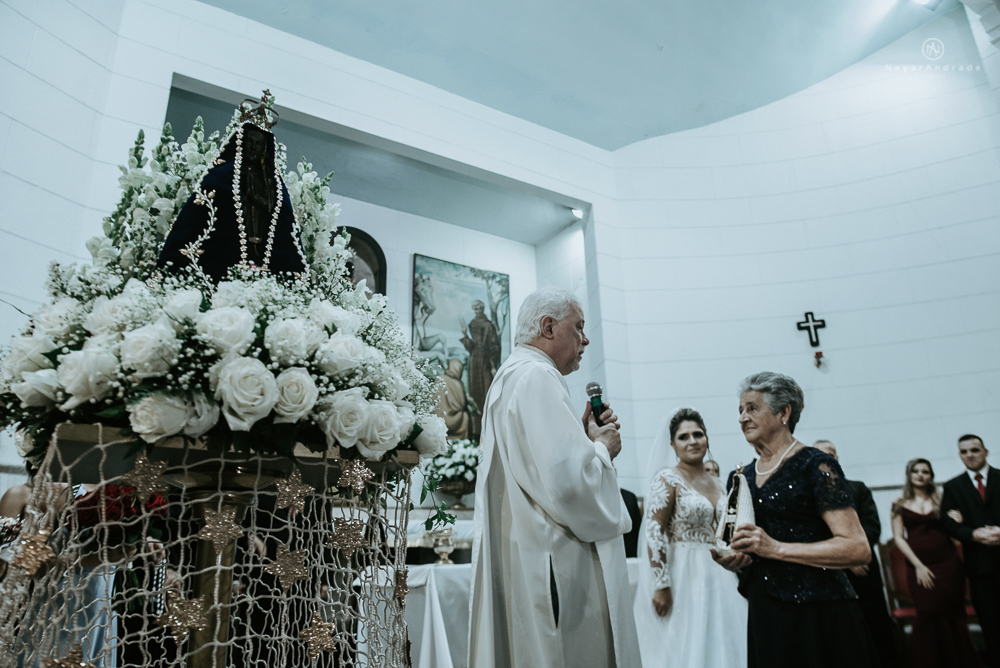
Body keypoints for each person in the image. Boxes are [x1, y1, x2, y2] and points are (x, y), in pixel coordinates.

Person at [468, 287, 640, 668]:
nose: (586, 338)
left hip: (532, 556)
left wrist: (580, 441)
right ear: (548, 327)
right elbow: (570, 487)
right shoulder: (537, 377)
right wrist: (602, 449)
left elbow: (542, 469)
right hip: (559, 566)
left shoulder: (510, 375)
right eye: (578, 327)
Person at [712, 371, 877, 668]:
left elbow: (857, 548)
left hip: (820, 611)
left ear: (783, 413)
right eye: (740, 410)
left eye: (752, 408)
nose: (742, 418)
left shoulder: (816, 465)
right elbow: (751, 546)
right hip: (767, 612)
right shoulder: (741, 477)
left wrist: (775, 548)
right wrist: (737, 558)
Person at [634, 408, 747, 668]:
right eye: (684, 437)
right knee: (686, 641)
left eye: (698, 434)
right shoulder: (667, 478)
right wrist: (660, 583)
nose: (693, 441)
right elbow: (654, 530)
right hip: (683, 570)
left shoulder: (718, 483)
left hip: (720, 570)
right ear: (673, 445)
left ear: (707, 439)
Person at [814, 440, 899, 668]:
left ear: (837, 458)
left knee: (877, 628)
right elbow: (814, 534)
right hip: (832, 573)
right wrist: (844, 559)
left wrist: (854, 554)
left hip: (864, 571)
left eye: (830, 454)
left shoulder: (858, 488)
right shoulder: (809, 495)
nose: (825, 458)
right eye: (820, 454)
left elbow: (872, 526)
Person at [892, 458, 980, 667]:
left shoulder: (942, 499)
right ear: (909, 475)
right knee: (927, 612)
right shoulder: (899, 504)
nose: (921, 475)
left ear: (931, 476)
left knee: (953, 613)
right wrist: (919, 566)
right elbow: (898, 538)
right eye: (916, 471)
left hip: (948, 565)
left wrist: (960, 518)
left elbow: (958, 527)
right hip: (919, 565)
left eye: (926, 471)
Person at [941, 434, 1000, 667]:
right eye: (964, 452)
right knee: (992, 626)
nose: (970, 455)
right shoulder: (954, 487)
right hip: (980, 568)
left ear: (985, 451)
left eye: (974, 450)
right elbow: (947, 523)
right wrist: (972, 533)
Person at [460, 300, 502, 438]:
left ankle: (489, 432)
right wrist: (465, 334)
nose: (476, 309)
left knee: (486, 393)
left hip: (485, 362)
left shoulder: (489, 325)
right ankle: (475, 431)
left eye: (479, 307)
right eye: (474, 307)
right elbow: (471, 346)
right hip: (474, 362)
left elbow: (494, 347)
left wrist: (493, 366)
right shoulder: (472, 323)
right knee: (474, 393)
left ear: (483, 308)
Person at [434, 358, 474, 439]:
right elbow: (462, 405)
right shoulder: (458, 384)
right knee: (465, 416)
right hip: (454, 422)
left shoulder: (440, 379)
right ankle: (462, 441)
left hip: (437, 420)